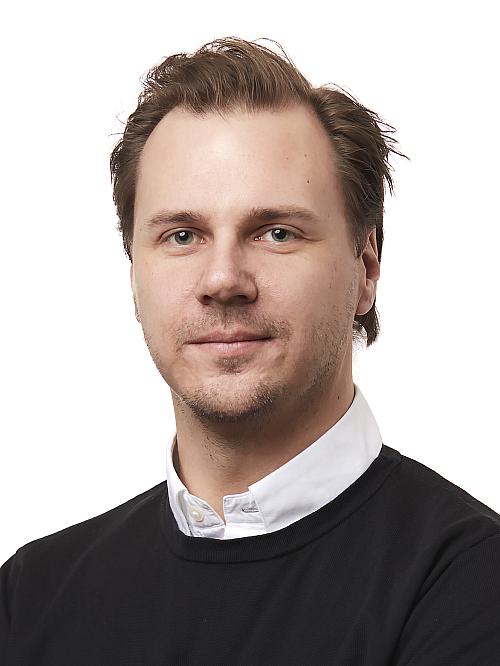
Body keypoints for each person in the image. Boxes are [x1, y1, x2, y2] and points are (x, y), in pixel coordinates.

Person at [1, 36, 499, 665]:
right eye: (182, 235)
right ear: (134, 270)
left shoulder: (472, 585)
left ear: (366, 268)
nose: (222, 280)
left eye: (276, 233)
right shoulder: (31, 596)